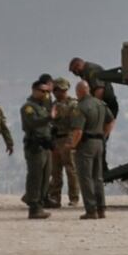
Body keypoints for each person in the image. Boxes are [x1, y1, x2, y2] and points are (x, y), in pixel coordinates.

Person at [70, 80, 115, 219]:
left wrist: (73, 146)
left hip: (85, 145)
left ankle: (91, 210)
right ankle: (101, 209)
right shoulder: (100, 104)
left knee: (86, 178)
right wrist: (104, 135)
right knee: (98, 177)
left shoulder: (81, 107)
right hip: (99, 143)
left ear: (80, 91)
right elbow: (111, 120)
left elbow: (78, 131)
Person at [69, 58, 118, 174]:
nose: (76, 74)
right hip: (101, 106)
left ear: (78, 65)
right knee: (97, 135)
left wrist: (93, 108)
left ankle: (101, 167)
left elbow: (99, 90)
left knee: (98, 135)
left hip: (104, 106)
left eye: (74, 71)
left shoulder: (91, 70)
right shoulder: (86, 72)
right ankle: (99, 166)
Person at [20, 79, 57, 219]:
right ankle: (34, 207)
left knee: (45, 177)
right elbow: (33, 122)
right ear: (35, 90)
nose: (46, 94)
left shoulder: (42, 107)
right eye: (43, 91)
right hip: (35, 146)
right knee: (35, 177)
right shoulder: (28, 107)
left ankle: (40, 204)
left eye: (48, 91)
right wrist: (49, 117)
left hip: (45, 146)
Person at [46, 77, 80, 208]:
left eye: (57, 90)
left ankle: (74, 198)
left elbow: (75, 125)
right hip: (56, 140)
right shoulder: (53, 105)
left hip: (67, 138)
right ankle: (55, 197)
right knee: (55, 171)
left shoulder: (72, 104)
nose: (55, 92)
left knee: (71, 170)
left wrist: (71, 142)